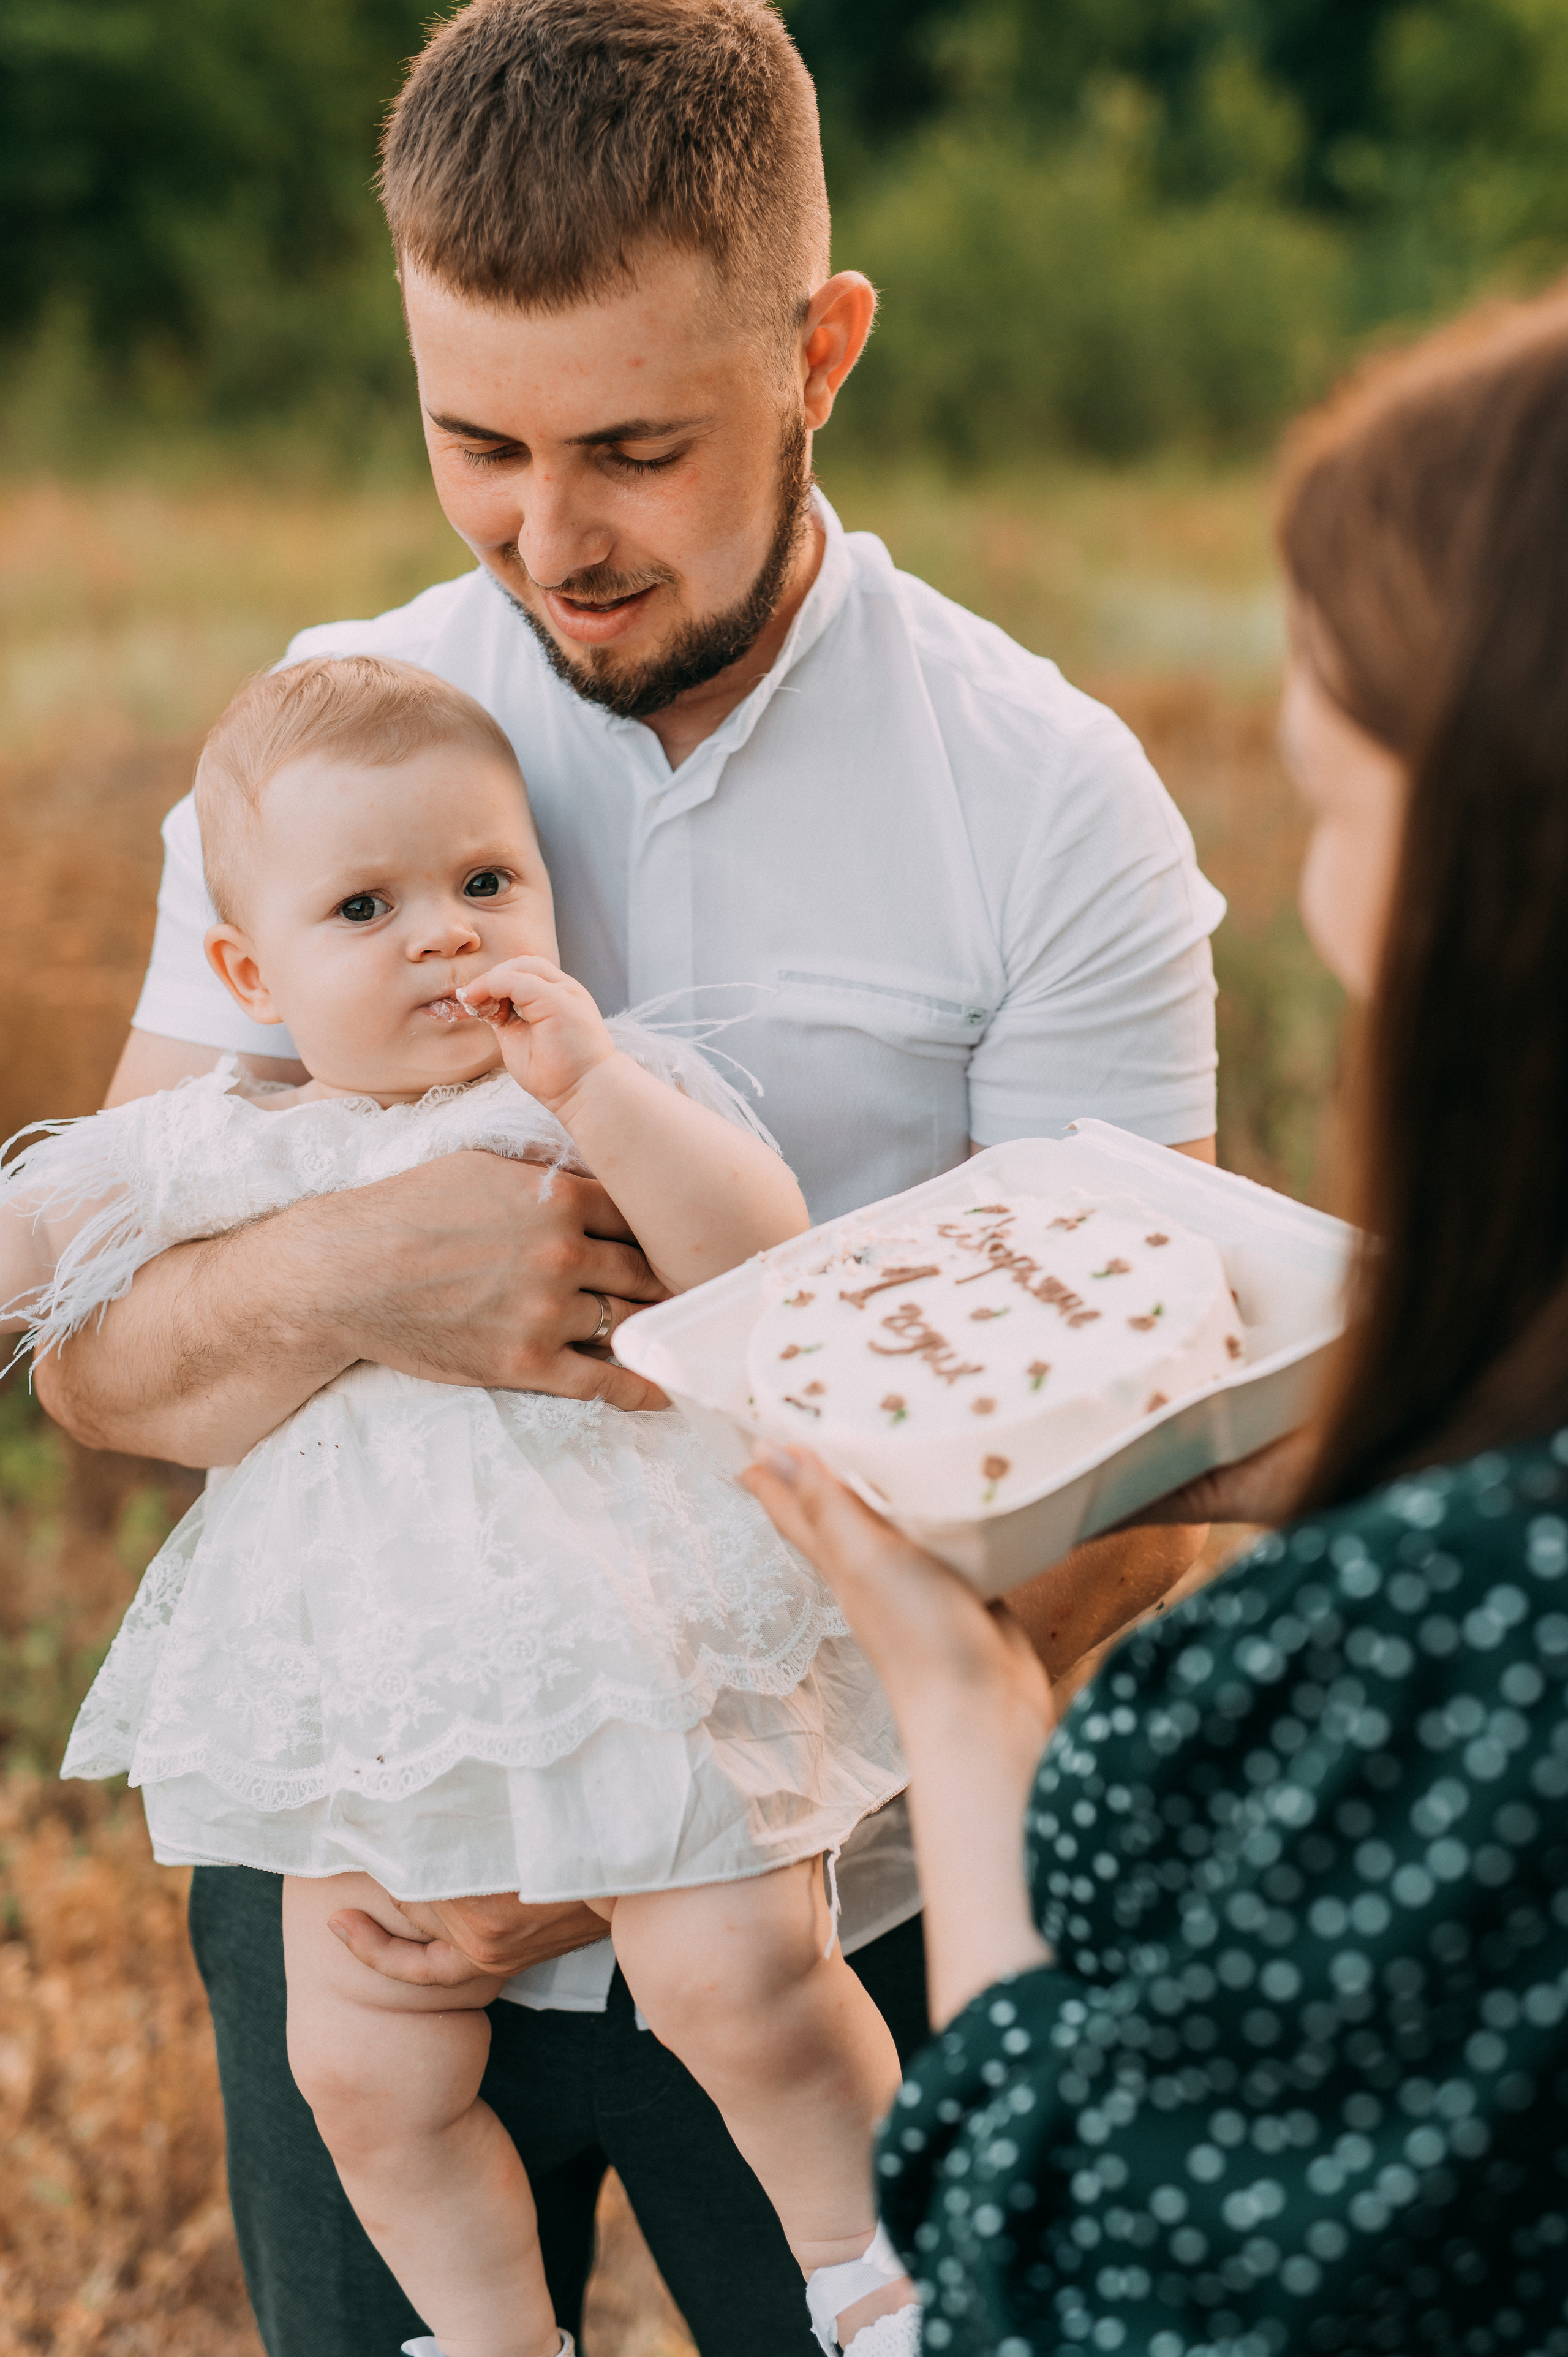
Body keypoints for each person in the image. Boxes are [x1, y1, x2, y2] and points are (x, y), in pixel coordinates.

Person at [33, 3, 1224, 2348]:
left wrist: (619, 1833)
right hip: (359, 1874)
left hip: (820, 1903)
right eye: (473, 442)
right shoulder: (313, 757)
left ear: (823, 351)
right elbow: (96, 1361)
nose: (548, 538)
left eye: (635, 449)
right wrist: (366, 1274)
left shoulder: (1049, 801)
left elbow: (1142, 1482)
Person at [742, 287, 1568, 2355]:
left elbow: (1105, 2284)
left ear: (1486, 880)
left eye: (1336, 808)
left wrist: (959, 1707)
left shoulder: (1441, 1648)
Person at [13, 653, 923, 2357]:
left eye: (486, 884)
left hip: (630, 1645)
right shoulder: (230, 1144)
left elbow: (756, 1256)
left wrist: (598, 1088)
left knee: (744, 1977)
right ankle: (496, 2336)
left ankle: (872, 2275)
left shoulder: (583, 1090)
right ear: (248, 973)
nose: (445, 932)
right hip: (377, 1688)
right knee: (359, 2068)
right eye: (367, 906)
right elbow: (48, 1256)